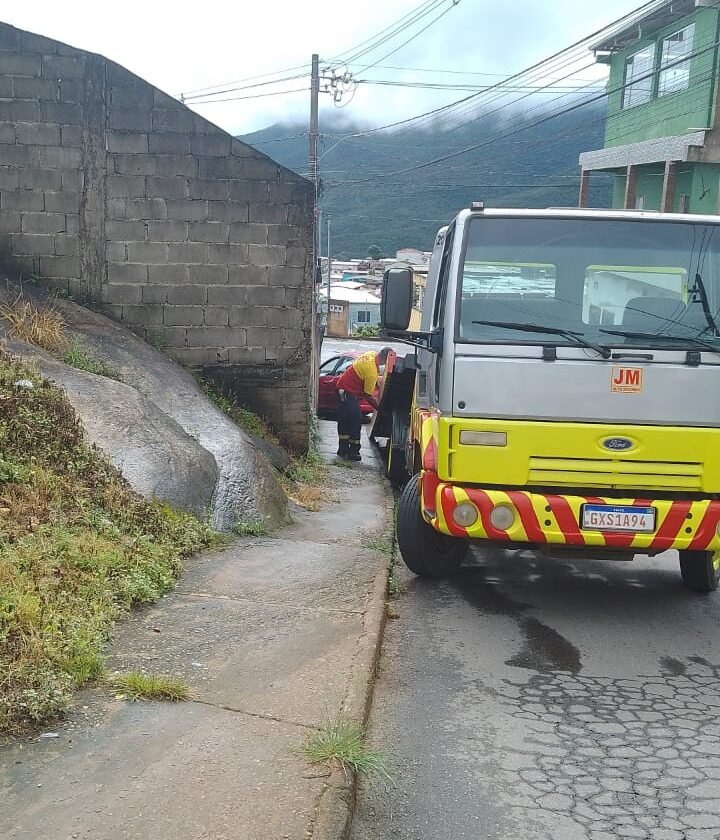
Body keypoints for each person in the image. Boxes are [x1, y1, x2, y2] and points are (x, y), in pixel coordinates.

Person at [335, 347, 391, 461]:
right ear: (385, 358)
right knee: (355, 420)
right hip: (346, 392)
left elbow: (369, 379)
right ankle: (353, 451)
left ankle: (343, 450)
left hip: (342, 389)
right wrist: (380, 410)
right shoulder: (371, 371)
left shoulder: (371, 354)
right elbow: (368, 396)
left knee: (345, 420)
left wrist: (379, 386)